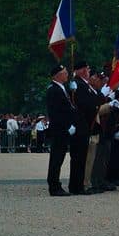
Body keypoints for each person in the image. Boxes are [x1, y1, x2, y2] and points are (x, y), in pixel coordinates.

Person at [45, 64, 77, 196]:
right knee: (56, 159)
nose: (67, 75)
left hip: (62, 129)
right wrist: (67, 126)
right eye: (64, 73)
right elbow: (56, 112)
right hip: (59, 129)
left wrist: (72, 92)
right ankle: (54, 186)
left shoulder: (61, 88)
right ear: (57, 75)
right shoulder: (53, 90)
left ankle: (55, 184)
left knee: (59, 158)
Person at [70, 60, 98, 195]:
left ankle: (79, 185)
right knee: (78, 158)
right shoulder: (79, 85)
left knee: (81, 158)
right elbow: (83, 104)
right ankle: (76, 186)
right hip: (80, 125)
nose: (88, 71)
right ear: (80, 70)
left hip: (86, 125)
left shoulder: (84, 85)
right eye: (86, 69)